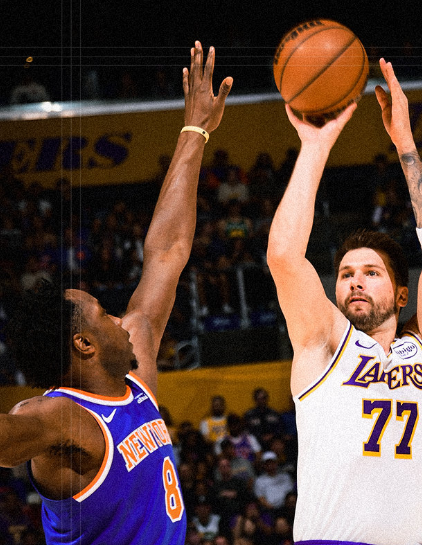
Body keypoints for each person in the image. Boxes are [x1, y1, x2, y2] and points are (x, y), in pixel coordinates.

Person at [0, 42, 232, 544]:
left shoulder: (137, 379)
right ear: (83, 344)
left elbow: (167, 252)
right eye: (103, 314)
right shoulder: (62, 417)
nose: (120, 320)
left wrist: (195, 131)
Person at [266, 58, 422, 544]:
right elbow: (284, 256)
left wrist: (406, 145)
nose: (355, 282)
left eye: (371, 273)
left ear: (401, 294)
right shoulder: (324, 343)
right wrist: (316, 147)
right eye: (346, 274)